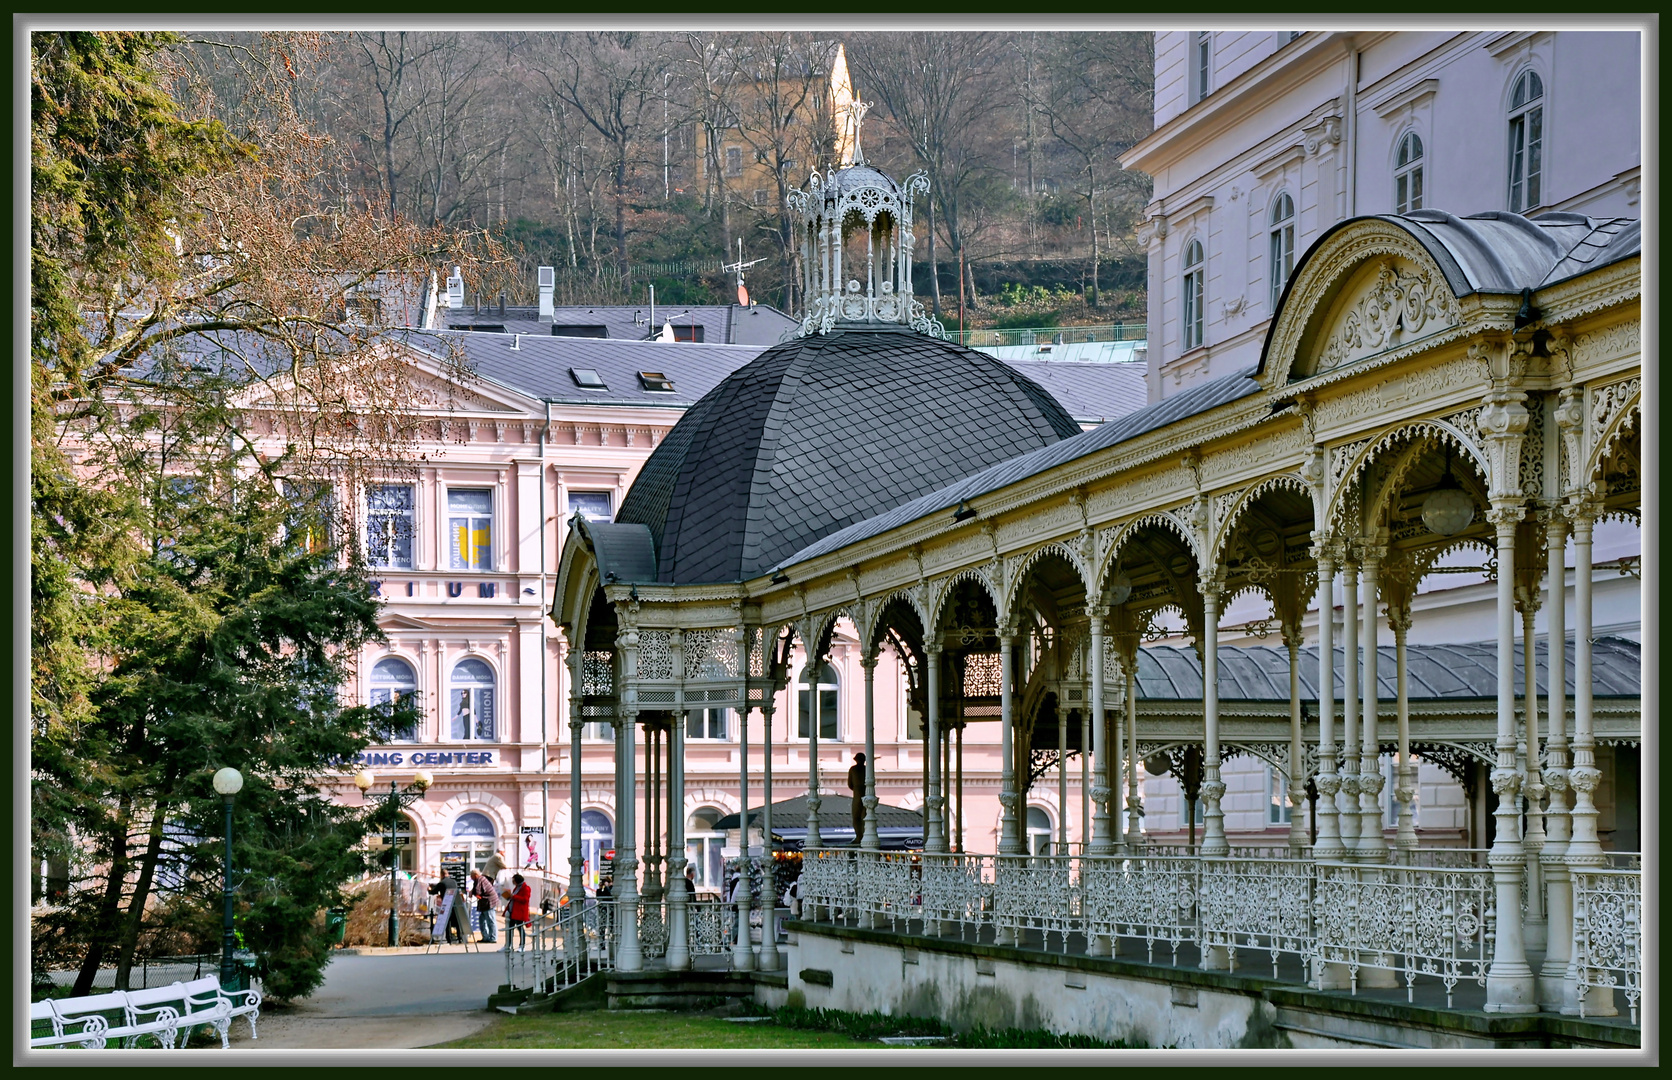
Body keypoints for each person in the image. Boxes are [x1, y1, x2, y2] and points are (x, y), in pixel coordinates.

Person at [429, 870, 465, 943]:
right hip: (456, 904)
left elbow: (433, 892)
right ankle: (459, 938)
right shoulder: (454, 882)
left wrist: (429, 889)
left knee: (447, 921)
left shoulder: (441, 883)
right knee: (457, 921)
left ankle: (449, 938)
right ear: (448, 874)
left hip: (447, 903)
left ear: (442, 875)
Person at [469, 868, 500, 944]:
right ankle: (486, 937)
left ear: (475, 875)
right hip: (487, 902)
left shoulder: (479, 880)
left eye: (471, 876)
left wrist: (472, 893)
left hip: (489, 902)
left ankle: (493, 937)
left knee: (490, 920)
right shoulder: (481, 879)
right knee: (482, 920)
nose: (471, 878)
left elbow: (478, 892)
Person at [503, 873, 532, 951]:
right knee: (509, 928)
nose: (512, 882)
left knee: (520, 928)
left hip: (519, 911)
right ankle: (508, 945)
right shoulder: (516, 888)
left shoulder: (526, 888)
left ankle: (522, 946)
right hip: (512, 911)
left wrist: (514, 896)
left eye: (513, 880)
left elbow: (525, 899)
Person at [847, 753, 867, 844]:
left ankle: (859, 836)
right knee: (864, 817)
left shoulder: (853, 769)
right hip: (866, 795)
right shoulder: (867, 769)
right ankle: (862, 836)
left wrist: (856, 788)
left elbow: (850, 784)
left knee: (856, 817)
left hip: (857, 795)